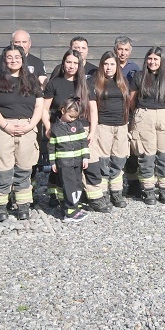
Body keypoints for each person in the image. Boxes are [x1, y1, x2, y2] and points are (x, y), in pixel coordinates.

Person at [0, 45, 44, 221]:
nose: (13, 60)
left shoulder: (31, 80)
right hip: (3, 128)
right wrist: (5, 125)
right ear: (4, 60)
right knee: (2, 169)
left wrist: (31, 124)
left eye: (17, 57)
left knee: (24, 168)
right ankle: (0, 207)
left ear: (22, 58)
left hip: (26, 127)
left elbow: (39, 105)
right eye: (9, 57)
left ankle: (23, 205)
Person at [43, 50, 107, 213]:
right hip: (61, 131)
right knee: (63, 166)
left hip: (82, 129)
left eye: (75, 63)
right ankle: (59, 196)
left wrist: (92, 132)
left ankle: (95, 198)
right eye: (68, 62)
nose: (71, 66)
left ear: (79, 65)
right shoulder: (54, 83)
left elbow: (93, 110)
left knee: (91, 164)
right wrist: (48, 127)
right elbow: (44, 108)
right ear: (63, 63)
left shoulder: (86, 84)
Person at [129, 47, 165, 205]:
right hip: (145, 115)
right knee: (146, 155)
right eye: (150, 59)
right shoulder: (139, 76)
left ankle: (164, 189)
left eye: (156, 59)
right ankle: (148, 190)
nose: (152, 62)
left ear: (161, 60)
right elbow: (131, 100)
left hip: (164, 115)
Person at [91, 51, 131, 208]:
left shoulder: (123, 82)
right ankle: (103, 191)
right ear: (102, 65)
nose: (109, 67)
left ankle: (116, 192)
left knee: (119, 159)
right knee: (103, 160)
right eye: (106, 64)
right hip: (103, 126)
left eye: (112, 64)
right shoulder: (95, 82)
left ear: (117, 66)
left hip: (121, 126)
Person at [48, 97, 91, 223]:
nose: (73, 119)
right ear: (63, 110)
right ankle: (69, 212)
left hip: (77, 161)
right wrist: (53, 162)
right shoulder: (56, 128)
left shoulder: (78, 125)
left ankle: (75, 206)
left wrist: (86, 158)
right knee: (69, 185)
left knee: (77, 184)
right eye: (71, 116)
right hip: (64, 163)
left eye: (75, 117)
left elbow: (84, 142)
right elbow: (52, 147)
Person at [115, 35, 142, 198]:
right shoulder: (109, 65)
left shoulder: (135, 69)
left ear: (130, 51)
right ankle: (115, 185)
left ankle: (133, 183)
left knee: (132, 151)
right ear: (115, 50)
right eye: (120, 49)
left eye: (126, 50)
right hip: (112, 114)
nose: (122, 53)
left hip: (130, 113)